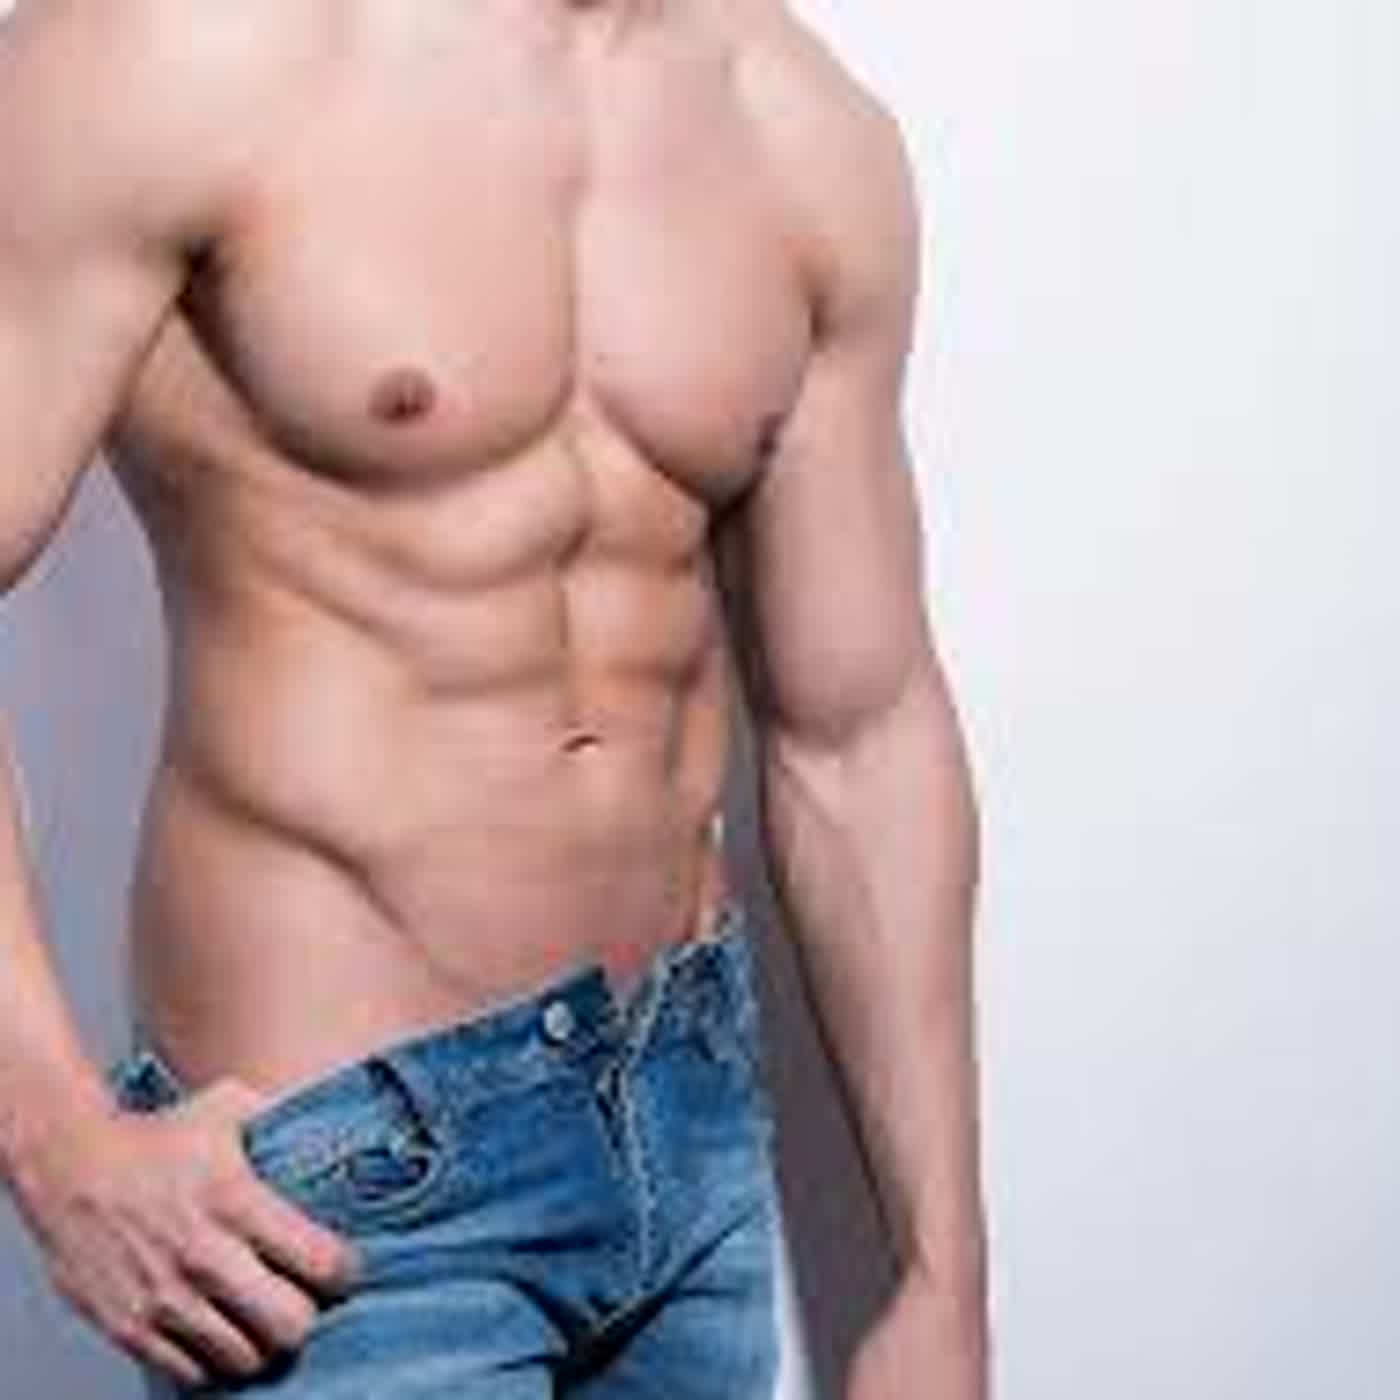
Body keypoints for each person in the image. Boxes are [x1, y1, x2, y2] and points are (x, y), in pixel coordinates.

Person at [0, 0, 987, 1396]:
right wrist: (50, 1133)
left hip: (691, 1155)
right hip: (346, 1200)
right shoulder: (180, 47)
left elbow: (862, 733)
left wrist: (943, 1279)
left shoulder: (792, 124)